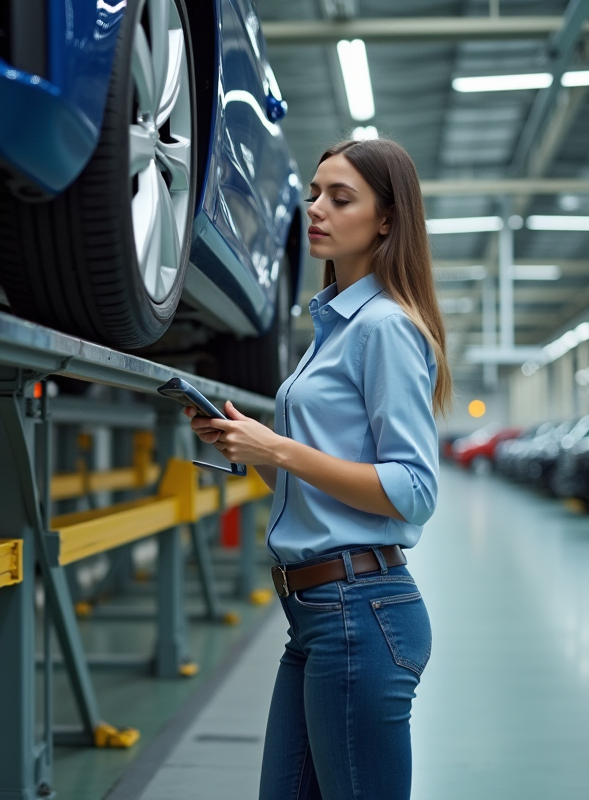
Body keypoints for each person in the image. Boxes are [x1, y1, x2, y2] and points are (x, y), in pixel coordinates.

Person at [185, 138, 453, 800]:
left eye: (340, 197)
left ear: (387, 220)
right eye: (312, 193)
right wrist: (251, 450)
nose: (315, 209)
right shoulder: (331, 329)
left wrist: (278, 448)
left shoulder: (384, 328)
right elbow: (323, 487)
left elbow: (413, 491)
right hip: (315, 614)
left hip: (359, 612)